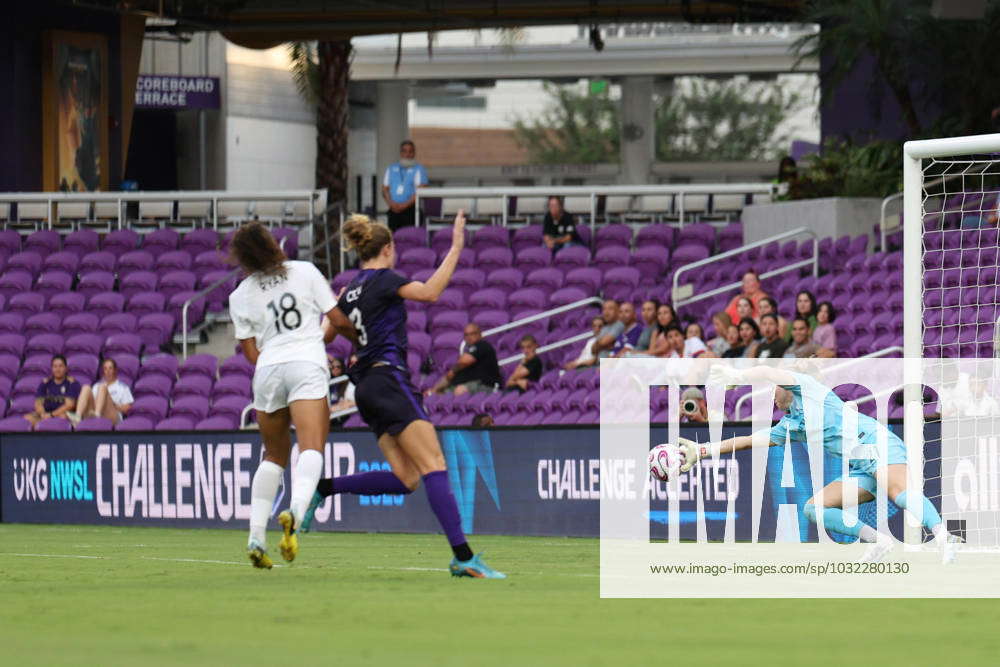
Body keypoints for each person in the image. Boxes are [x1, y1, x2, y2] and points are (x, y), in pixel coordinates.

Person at [299, 211, 504, 578]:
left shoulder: (351, 289)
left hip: (364, 389)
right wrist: (456, 246)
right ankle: (463, 556)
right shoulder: (384, 279)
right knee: (434, 465)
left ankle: (323, 487)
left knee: (406, 478)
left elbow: (325, 336)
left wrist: (335, 306)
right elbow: (430, 292)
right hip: (389, 380)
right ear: (388, 248)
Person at [672, 365, 961, 564]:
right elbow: (749, 440)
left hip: (877, 443)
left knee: (898, 492)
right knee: (813, 508)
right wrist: (703, 449)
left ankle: (942, 536)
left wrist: (739, 374)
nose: (773, 392)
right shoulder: (791, 425)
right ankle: (877, 540)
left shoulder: (808, 389)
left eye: (776, 388)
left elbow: (769, 371)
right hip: (861, 465)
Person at [229, 221, 350, 570]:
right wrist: (356, 337)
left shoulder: (239, 295)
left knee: (273, 455)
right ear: (271, 244)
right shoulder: (305, 272)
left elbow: (252, 355)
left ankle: (255, 536)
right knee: (311, 447)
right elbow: (337, 323)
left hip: (268, 371)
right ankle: (294, 513)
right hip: (306, 363)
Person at [428, 323, 501, 396]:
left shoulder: (482, 345)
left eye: (472, 334)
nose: (469, 337)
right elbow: (449, 376)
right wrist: (433, 391)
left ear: (480, 334)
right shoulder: (466, 352)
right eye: (466, 335)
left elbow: (464, 362)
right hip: (463, 385)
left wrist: (453, 371)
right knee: (433, 395)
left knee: (460, 390)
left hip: (484, 386)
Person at [382, 140, 428, 231]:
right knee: (393, 238)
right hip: (393, 210)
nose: (407, 154)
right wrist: (391, 204)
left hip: (411, 210)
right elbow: (385, 189)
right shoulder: (391, 168)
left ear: (414, 153)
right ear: (401, 153)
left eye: (410, 151)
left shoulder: (419, 169)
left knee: (409, 237)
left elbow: (421, 190)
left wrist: (404, 205)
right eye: (404, 151)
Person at [23, 355, 82, 426]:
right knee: (27, 419)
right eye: (55, 366)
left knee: (62, 418)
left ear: (66, 368)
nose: (58, 369)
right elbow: (38, 403)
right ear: (52, 368)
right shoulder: (45, 383)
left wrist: (51, 415)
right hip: (46, 413)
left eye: (60, 366)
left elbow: (69, 405)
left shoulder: (72, 383)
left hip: (64, 413)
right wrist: (43, 414)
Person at [75, 358, 133, 424]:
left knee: (102, 387)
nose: (108, 371)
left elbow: (127, 408)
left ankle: (97, 417)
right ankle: (77, 417)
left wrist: (115, 405)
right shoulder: (96, 386)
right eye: (105, 369)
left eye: (110, 368)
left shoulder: (123, 387)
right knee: (86, 387)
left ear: (115, 370)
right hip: (93, 412)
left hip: (113, 415)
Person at [328, 356, 356, 425]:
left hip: (342, 418)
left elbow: (351, 403)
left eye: (338, 367)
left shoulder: (348, 383)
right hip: (328, 417)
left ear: (343, 368)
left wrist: (333, 408)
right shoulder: (327, 384)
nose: (335, 369)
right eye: (333, 367)